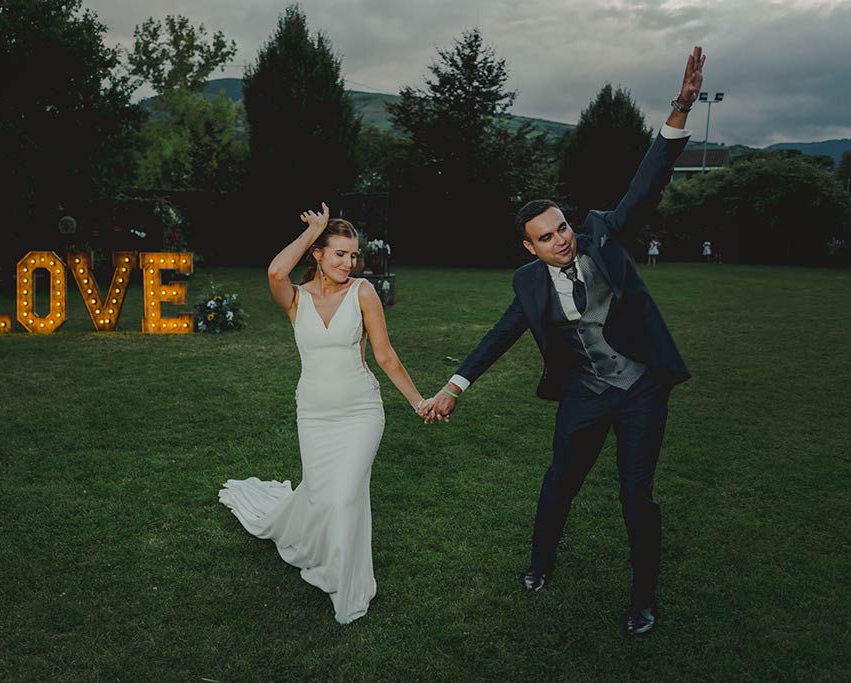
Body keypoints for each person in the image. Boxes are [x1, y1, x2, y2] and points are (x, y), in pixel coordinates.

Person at [421, 46, 707, 637]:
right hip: (583, 394)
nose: (561, 241)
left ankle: (643, 599)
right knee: (560, 483)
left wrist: (679, 111)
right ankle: (539, 563)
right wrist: (454, 386)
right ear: (528, 247)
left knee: (637, 496)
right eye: (546, 238)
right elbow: (500, 337)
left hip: (640, 389)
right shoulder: (528, 283)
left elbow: (646, 186)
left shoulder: (604, 234)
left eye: (562, 228)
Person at [219, 203, 427, 624]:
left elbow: (385, 357)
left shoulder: (363, 293)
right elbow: (276, 273)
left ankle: (345, 581)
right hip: (313, 415)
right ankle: (315, 547)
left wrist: (418, 401)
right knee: (320, 495)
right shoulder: (297, 299)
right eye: (340, 254)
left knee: (344, 495)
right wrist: (309, 232)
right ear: (318, 254)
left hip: (360, 412)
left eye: (354, 255)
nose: (349, 263)